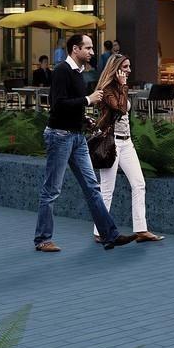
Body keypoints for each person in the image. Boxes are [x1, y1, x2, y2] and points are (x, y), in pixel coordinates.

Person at [33, 33, 128, 252]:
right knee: (52, 190)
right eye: (88, 48)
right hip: (59, 136)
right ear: (75, 49)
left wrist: (83, 117)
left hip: (76, 136)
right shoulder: (61, 72)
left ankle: (109, 235)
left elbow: (69, 104)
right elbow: (57, 105)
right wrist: (88, 99)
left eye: (92, 48)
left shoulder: (78, 73)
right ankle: (42, 239)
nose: (92, 52)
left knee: (92, 187)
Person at [91, 53, 163, 245]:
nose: (129, 70)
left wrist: (123, 87)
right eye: (125, 67)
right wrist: (122, 87)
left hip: (127, 142)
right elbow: (120, 109)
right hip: (111, 143)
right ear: (116, 69)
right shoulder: (107, 89)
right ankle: (100, 231)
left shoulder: (122, 87)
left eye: (129, 67)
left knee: (139, 183)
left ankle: (141, 229)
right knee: (107, 189)